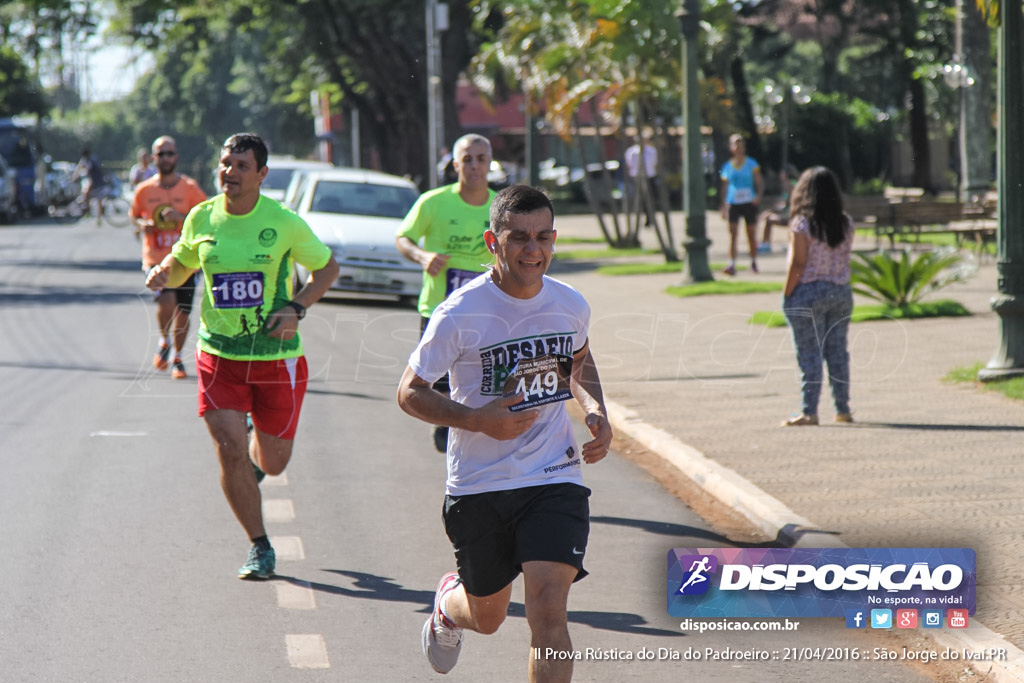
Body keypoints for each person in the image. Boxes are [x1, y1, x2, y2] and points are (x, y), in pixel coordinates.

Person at [397, 184, 613, 681]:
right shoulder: (460, 313)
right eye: (519, 238)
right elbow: (409, 391)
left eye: (542, 237)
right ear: (493, 243)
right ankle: (450, 608)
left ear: (554, 239)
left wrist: (595, 406)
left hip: (553, 474)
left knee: (548, 606)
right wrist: (477, 420)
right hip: (480, 483)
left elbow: (577, 360)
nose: (533, 250)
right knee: (488, 618)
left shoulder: (570, 303)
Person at [145, 133, 340, 579]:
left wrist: (296, 307)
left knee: (273, 463)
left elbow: (327, 268)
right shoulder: (201, 218)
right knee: (228, 448)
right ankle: (260, 546)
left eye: (241, 165)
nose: (229, 172)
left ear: (261, 174)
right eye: (225, 164)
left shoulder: (284, 222)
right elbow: (182, 262)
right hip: (219, 354)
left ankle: (259, 454)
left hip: (277, 357)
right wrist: (164, 273)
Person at [396, 133, 496, 452]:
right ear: (455, 165)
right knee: (435, 377)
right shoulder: (433, 202)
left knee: (481, 375)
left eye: (481, 158)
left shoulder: (500, 206)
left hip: (487, 309)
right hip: (439, 308)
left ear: (490, 163)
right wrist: (423, 257)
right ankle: (446, 422)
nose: (475, 165)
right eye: (467, 159)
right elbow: (403, 238)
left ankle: (471, 424)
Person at [781, 166, 854, 427]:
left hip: (808, 293)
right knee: (837, 353)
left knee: (810, 354)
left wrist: (787, 293)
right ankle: (843, 409)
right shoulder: (845, 223)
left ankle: (809, 411)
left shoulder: (801, 225)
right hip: (841, 293)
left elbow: (798, 263)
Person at [131, 136, 208, 379]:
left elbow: (205, 219)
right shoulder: (144, 190)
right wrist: (143, 224)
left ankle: (177, 357)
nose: (165, 158)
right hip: (155, 257)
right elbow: (134, 215)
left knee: (183, 311)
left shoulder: (190, 188)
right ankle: (165, 340)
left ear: (176, 157)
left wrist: (182, 216)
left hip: (185, 260)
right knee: (166, 300)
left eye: (169, 153)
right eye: (160, 154)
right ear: (153, 158)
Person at [720, 134, 764, 275]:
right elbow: (725, 187)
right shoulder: (727, 166)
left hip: (748, 202)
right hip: (734, 202)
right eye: (736, 145)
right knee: (733, 233)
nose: (739, 148)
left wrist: (758, 196)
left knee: (751, 233)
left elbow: (759, 182)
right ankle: (732, 264)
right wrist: (723, 205)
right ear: (731, 148)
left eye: (741, 145)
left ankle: (753, 261)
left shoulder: (751, 163)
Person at [759, 167, 796, 254]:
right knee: (769, 216)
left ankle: (765, 244)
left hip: (790, 217)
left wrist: (771, 211)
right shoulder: (795, 183)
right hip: (793, 215)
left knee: (768, 219)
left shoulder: (789, 185)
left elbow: (786, 203)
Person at [624, 134, 658, 222]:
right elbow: (629, 165)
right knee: (640, 198)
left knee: (650, 198)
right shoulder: (631, 151)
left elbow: (655, 164)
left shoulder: (652, 151)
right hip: (637, 177)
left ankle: (650, 217)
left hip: (649, 176)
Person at [71, 147, 110, 224]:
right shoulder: (92, 159)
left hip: (96, 182)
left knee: (86, 194)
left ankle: (87, 210)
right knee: (99, 200)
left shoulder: (90, 161)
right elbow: (79, 168)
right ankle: (98, 218)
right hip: (99, 182)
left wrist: (76, 177)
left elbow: (85, 170)